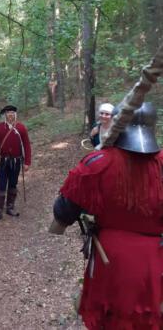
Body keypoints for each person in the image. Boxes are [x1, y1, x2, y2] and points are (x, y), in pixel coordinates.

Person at [52, 102, 163, 329]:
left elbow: (63, 212)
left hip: (112, 260)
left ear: (118, 123)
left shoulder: (98, 162)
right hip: (155, 261)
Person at [0, 105, 32, 223]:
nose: (11, 115)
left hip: (16, 162)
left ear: (15, 114)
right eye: (8, 113)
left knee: (13, 184)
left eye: (13, 112)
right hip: (3, 162)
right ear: (5, 115)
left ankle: (10, 207)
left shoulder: (21, 128)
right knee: (1, 185)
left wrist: (27, 162)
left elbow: (27, 145)